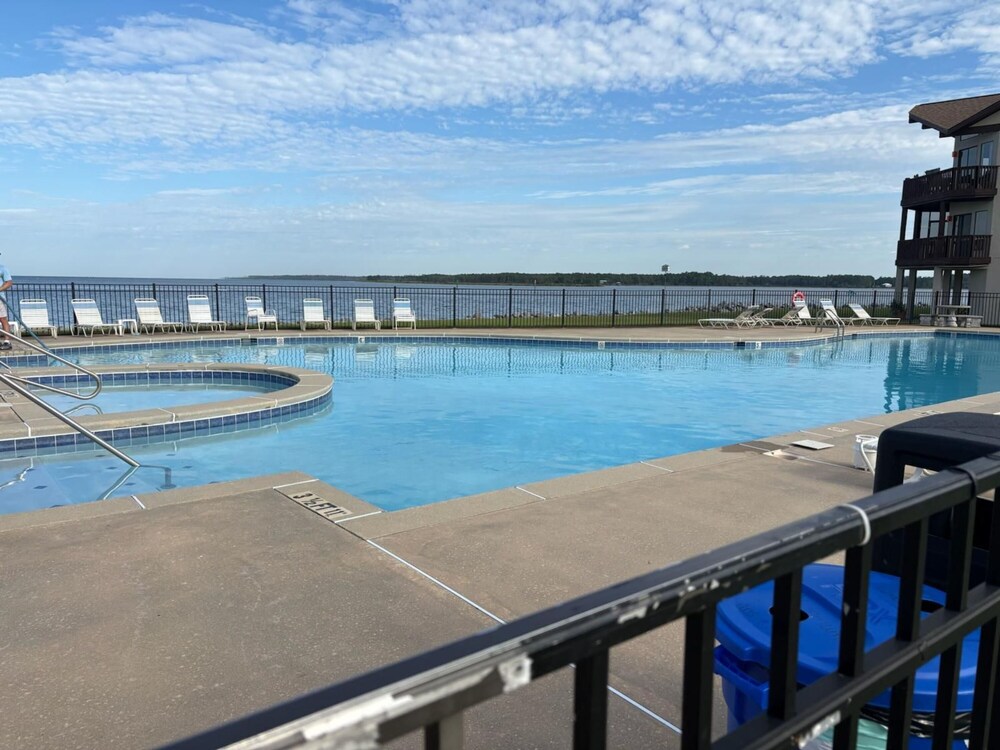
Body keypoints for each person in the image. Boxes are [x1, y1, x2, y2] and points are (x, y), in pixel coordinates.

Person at [0, 255, 12, 349]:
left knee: (3, 319)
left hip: (0, 298)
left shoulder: (3, 268)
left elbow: (9, 283)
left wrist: (0, 289)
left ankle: (7, 342)